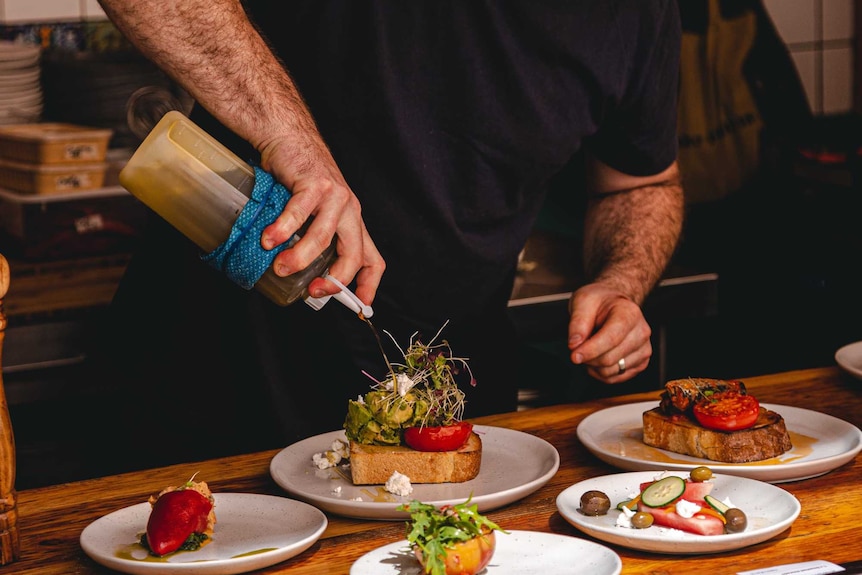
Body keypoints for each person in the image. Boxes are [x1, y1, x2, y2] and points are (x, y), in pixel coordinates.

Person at [92, 0, 684, 468]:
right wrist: (289, 138)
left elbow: (639, 185)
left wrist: (621, 281)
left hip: (445, 407)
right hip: (216, 379)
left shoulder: (636, 13)